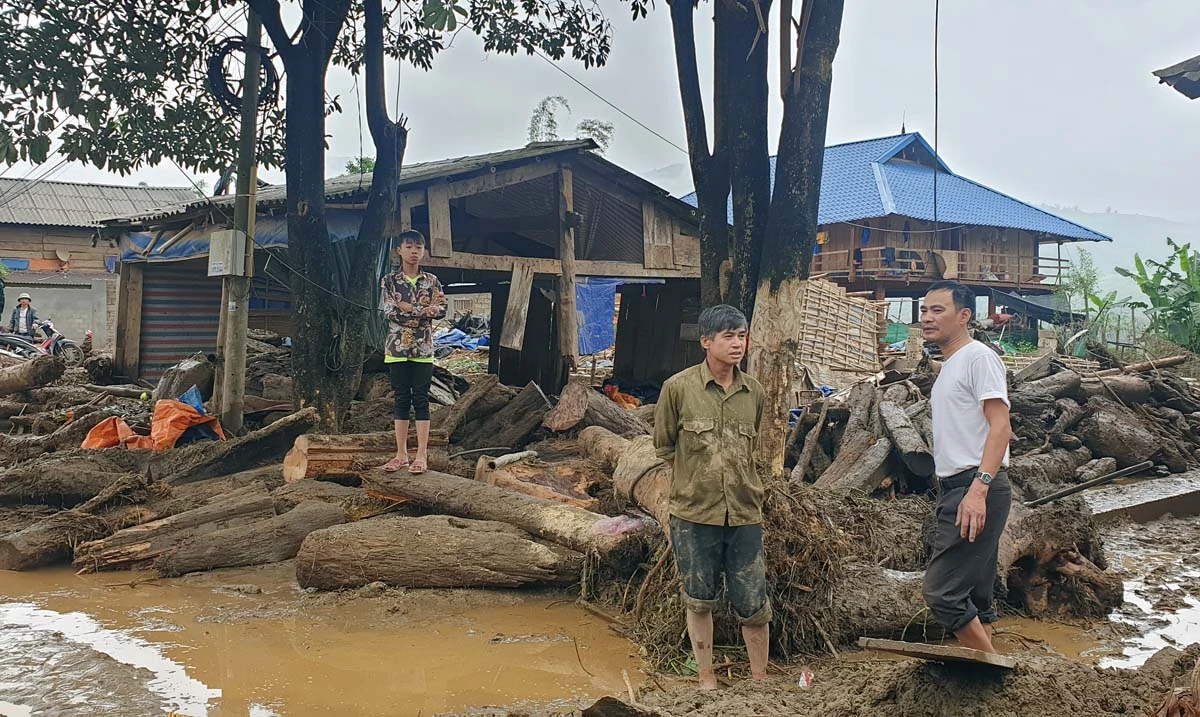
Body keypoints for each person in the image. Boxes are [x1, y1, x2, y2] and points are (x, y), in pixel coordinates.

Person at [653, 304, 770, 690]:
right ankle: (706, 677)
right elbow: (665, 447)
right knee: (699, 599)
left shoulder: (754, 392)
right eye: (728, 336)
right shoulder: (678, 389)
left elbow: (755, 446)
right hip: (693, 513)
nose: (738, 344)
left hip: (744, 512)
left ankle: (758, 679)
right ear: (706, 342)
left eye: (742, 335)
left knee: (754, 602)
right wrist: (696, 479)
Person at [920, 280, 1013, 654]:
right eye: (924, 311)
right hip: (958, 486)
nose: (927, 318)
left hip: (975, 487)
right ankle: (988, 685)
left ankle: (995, 667)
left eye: (937, 310)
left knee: (942, 591)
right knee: (976, 591)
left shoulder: (978, 358)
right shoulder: (949, 365)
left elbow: (1001, 427)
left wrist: (978, 489)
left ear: (964, 316)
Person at [380, 230, 447, 474]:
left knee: (421, 399)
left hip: (423, 348)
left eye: (418, 247)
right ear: (399, 250)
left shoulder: (432, 281)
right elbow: (390, 312)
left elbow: (441, 310)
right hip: (397, 348)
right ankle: (400, 454)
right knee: (400, 399)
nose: (414, 251)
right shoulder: (389, 281)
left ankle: (421, 455)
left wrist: (411, 307)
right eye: (409, 246)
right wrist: (423, 310)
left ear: (423, 251)